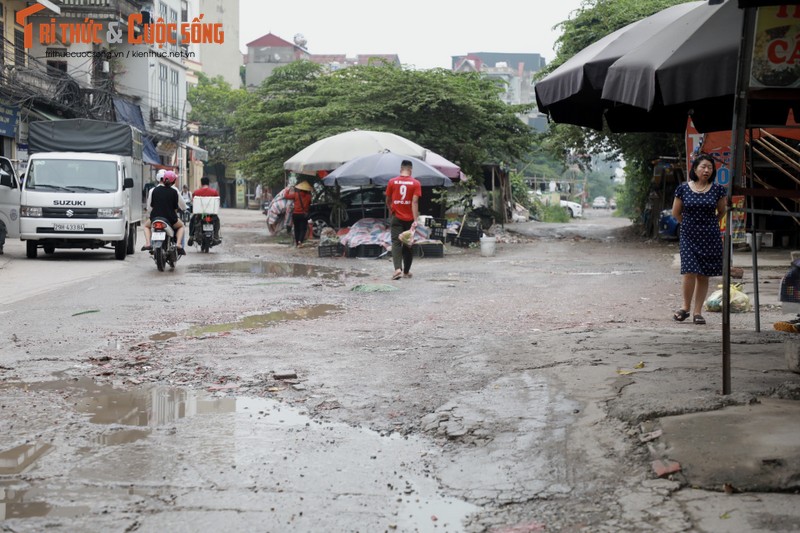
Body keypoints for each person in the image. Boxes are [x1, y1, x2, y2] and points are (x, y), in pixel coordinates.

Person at [671, 153, 727, 325]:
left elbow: (722, 211)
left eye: (710, 167)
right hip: (688, 235)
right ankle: (685, 308)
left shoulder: (718, 190)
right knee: (689, 272)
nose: (706, 170)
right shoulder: (683, 189)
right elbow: (676, 213)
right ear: (695, 169)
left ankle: (697, 312)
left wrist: (711, 224)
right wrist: (689, 224)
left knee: (703, 275)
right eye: (703, 167)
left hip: (710, 237)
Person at [385, 160, 422, 280]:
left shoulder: (392, 182)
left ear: (401, 170)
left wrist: (392, 210)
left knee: (396, 243)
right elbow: (414, 202)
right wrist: (415, 219)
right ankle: (406, 272)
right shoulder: (416, 183)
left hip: (396, 217)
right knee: (407, 244)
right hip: (409, 219)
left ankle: (397, 269)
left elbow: (388, 200)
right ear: (410, 171)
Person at [142, 170, 186, 255]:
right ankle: (179, 244)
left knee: (146, 226)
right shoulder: (174, 191)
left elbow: (151, 206)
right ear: (173, 181)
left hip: (155, 217)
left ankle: (148, 243)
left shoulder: (154, 190)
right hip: (170, 218)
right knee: (181, 226)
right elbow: (175, 208)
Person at [190, 176, 221, 245]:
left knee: (192, 220)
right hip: (212, 214)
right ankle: (216, 236)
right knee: (217, 221)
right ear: (208, 183)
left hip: (199, 214)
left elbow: (193, 201)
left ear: (201, 183)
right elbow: (217, 202)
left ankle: (191, 236)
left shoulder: (196, 192)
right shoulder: (214, 192)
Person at [283, 180, 313, 247]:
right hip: (303, 215)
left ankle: (297, 242)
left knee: (297, 228)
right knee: (303, 229)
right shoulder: (309, 196)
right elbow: (309, 203)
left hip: (295, 214)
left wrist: (288, 189)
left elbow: (286, 196)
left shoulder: (296, 194)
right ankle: (300, 241)